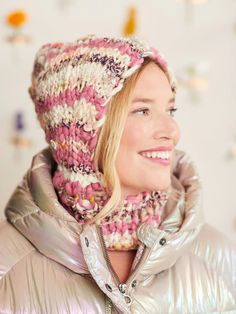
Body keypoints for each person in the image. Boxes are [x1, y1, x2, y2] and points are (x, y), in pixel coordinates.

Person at [0, 35, 235, 314]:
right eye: (143, 111)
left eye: (171, 109)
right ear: (81, 128)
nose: (172, 131)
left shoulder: (217, 255)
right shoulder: (7, 263)